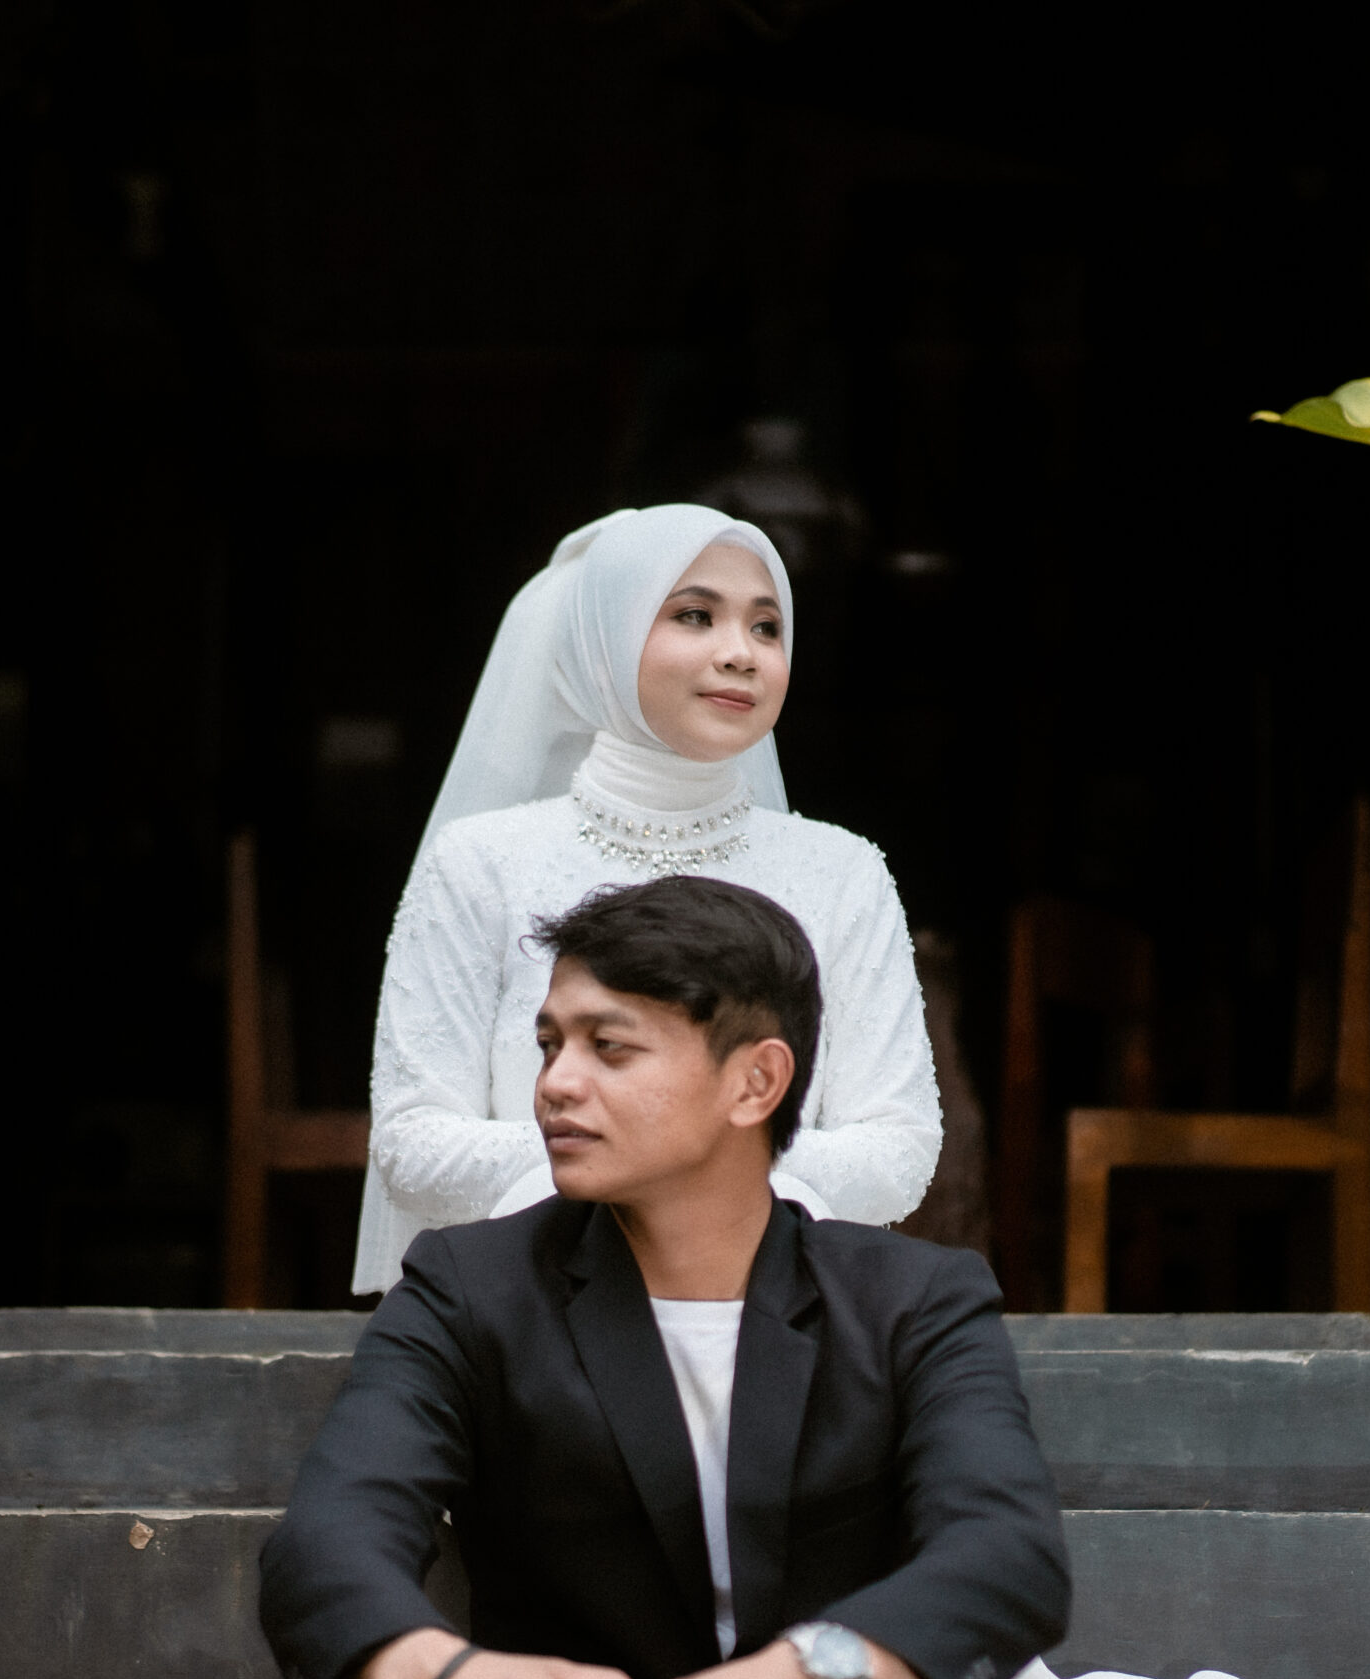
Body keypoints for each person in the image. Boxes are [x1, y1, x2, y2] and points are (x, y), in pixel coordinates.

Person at [264, 876, 1069, 1679]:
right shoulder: (468, 1288)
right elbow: (329, 1540)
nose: (555, 1082)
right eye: (549, 1044)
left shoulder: (912, 1299)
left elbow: (1007, 1555)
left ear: (755, 1082)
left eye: (609, 1047)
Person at [351, 503, 940, 1296]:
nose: (740, 653)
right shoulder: (480, 863)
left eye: (767, 627)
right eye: (695, 615)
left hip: (772, 1313)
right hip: (531, 1309)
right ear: (606, 635)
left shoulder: (844, 873)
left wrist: (667, 1161)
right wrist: (668, 1156)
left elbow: (898, 1149)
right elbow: (414, 1142)